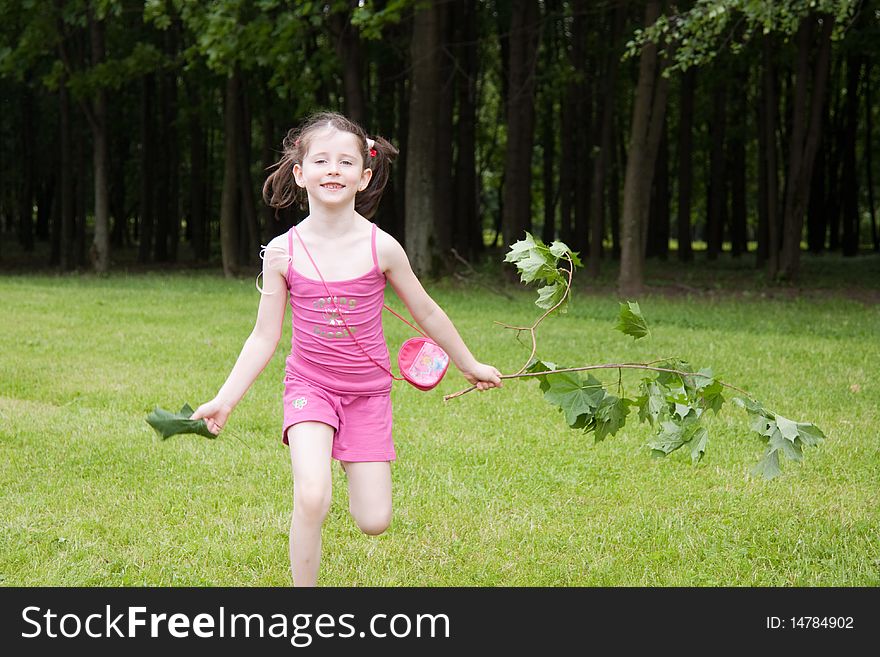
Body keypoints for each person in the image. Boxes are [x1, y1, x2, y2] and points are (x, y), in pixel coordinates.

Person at [192, 111, 502, 586]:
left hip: (368, 395)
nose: (332, 169)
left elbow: (429, 312)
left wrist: (469, 363)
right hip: (309, 388)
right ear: (300, 174)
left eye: (345, 162)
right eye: (321, 160)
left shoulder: (383, 248)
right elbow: (264, 336)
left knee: (373, 521)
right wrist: (225, 399)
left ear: (365, 176)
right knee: (313, 496)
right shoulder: (281, 252)